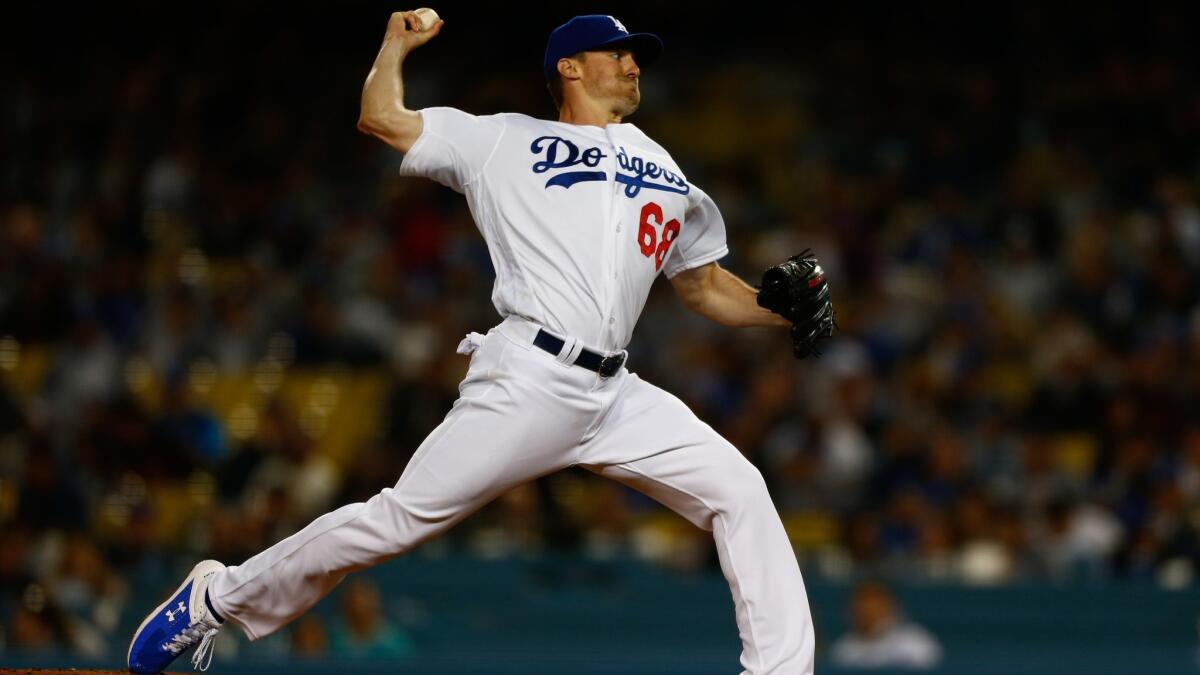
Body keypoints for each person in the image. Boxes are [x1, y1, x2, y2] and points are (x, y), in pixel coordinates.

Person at [127, 11, 822, 674]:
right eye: (620, 53)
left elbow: (702, 288)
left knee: (739, 489)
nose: (635, 63)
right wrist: (395, 47)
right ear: (571, 68)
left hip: (615, 393)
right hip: (528, 379)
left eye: (635, 54)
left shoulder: (665, 169)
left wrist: (780, 314)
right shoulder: (502, 139)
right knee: (394, 523)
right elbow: (381, 117)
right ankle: (216, 596)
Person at [829, 581, 943, 670]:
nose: (867, 612)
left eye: (874, 606)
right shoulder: (843, 649)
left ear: (891, 606)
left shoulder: (917, 642)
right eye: (862, 607)